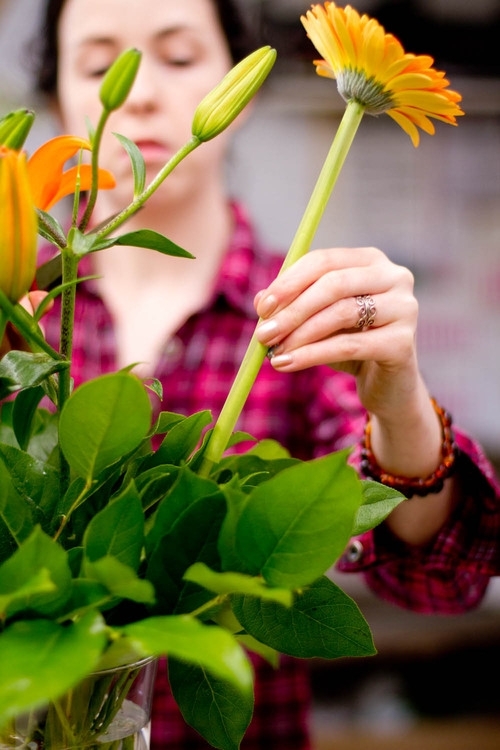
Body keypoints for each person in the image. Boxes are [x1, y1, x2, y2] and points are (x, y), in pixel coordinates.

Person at [21, 0, 500, 747]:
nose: (141, 91)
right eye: (100, 62)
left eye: (179, 58)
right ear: (60, 101)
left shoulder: (307, 311)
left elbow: (437, 578)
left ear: (237, 93)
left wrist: (399, 400)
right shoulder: (19, 309)